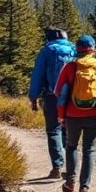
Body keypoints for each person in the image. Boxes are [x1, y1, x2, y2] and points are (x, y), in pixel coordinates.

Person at [55, 34, 96, 192]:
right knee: (89, 150)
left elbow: (59, 92)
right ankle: (84, 188)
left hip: (72, 115)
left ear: (78, 48)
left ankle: (70, 182)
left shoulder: (70, 67)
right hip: (94, 114)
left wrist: (61, 115)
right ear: (92, 49)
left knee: (72, 146)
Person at [28, 27, 77, 178]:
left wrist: (33, 96)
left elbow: (38, 74)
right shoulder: (74, 49)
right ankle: (71, 169)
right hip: (73, 97)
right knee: (68, 131)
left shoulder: (46, 51)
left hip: (52, 96)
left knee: (53, 130)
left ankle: (57, 167)